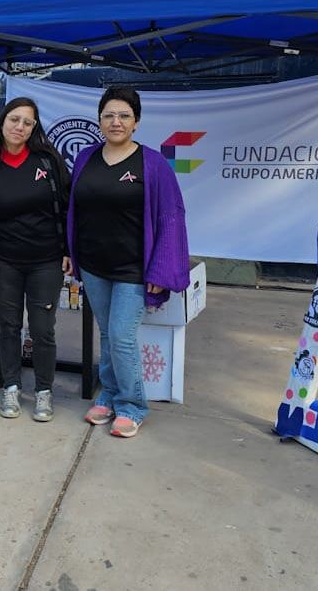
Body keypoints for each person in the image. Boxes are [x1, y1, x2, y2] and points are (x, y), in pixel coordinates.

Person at [69, 86, 189, 438]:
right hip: (93, 264)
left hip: (133, 268)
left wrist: (162, 271)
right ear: (99, 120)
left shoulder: (153, 164)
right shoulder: (85, 158)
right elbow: (75, 210)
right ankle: (108, 392)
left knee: (121, 335)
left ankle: (133, 404)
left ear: (136, 122)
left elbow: (171, 218)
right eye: (109, 115)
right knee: (107, 333)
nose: (115, 122)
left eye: (124, 115)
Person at [0, 97, 70, 422]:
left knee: (42, 331)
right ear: (3, 122)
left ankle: (43, 392)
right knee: (7, 327)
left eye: (27, 122)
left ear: (34, 128)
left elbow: (67, 211)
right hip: (5, 264)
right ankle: (11, 388)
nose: (20, 127)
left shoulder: (48, 162)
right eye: (14, 120)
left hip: (46, 262)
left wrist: (68, 250)